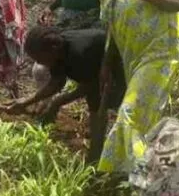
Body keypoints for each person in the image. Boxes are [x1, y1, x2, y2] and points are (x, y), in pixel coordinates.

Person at [92, 0, 179, 184]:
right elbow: (110, 26)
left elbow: (178, 2)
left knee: (129, 113)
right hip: (132, 58)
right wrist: (106, 64)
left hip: (160, 53)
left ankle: (139, 178)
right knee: (147, 115)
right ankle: (155, 169)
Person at [11, 25, 125, 161]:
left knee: (104, 105)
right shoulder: (58, 51)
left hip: (118, 64)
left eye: (39, 59)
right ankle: (96, 154)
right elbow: (56, 83)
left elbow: (88, 88)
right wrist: (26, 101)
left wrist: (57, 102)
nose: (39, 63)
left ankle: (99, 156)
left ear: (52, 50)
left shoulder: (78, 54)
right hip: (95, 69)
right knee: (96, 102)